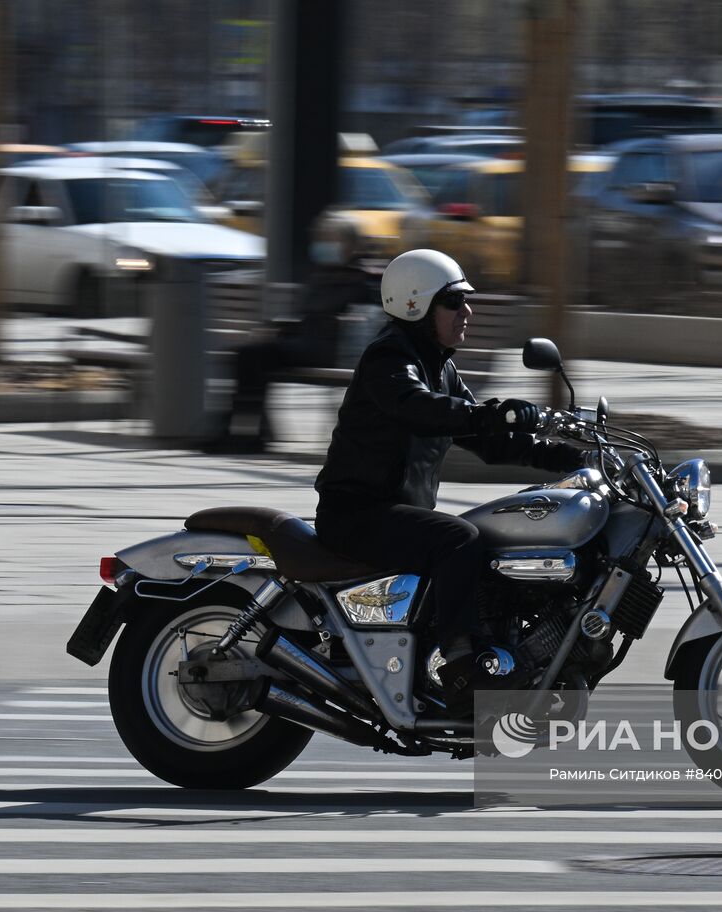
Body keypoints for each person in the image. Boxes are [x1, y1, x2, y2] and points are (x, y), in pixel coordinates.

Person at [313, 248, 586, 715]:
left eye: (465, 301)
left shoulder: (439, 365)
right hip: (355, 514)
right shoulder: (390, 358)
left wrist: (569, 457)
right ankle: (463, 666)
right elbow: (417, 406)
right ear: (416, 304)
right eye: (454, 302)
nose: (467, 312)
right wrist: (492, 411)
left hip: (395, 514)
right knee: (459, 539)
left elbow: (490, 441)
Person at [213, 213, 378, 453]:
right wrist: (277, 329)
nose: (324, 245)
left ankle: (243, 432)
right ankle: (244, 431)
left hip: (331, 349)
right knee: (248, 355)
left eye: (331, 239)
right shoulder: (323, 274)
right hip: (307, 343)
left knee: (254, 356)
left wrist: (338, 323)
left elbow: (365, 322)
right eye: (322, 238)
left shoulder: (362, 279)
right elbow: (306, 317)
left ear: (351, 244)